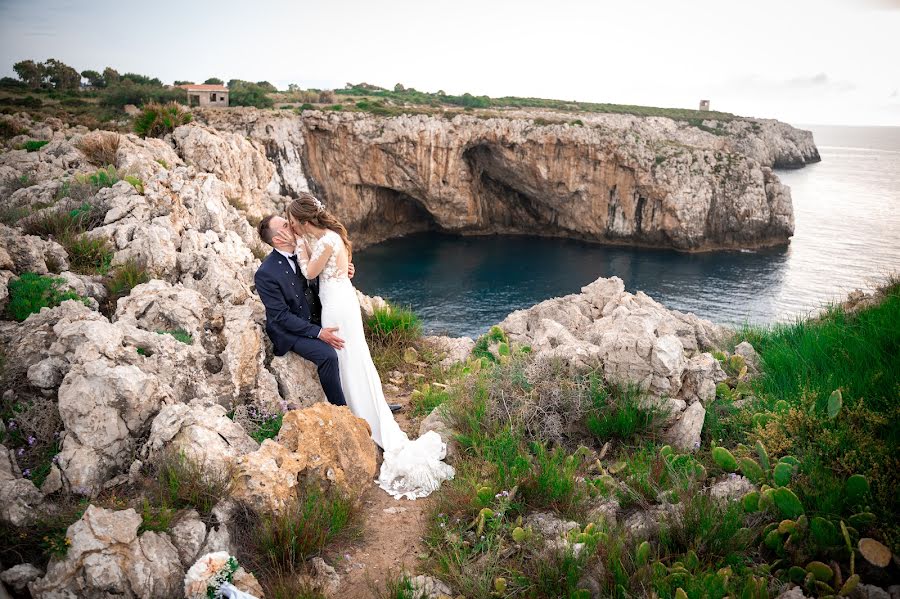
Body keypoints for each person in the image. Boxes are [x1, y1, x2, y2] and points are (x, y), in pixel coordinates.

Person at [280, 192, 454, 499]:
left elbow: (309, 274)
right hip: (341, 299)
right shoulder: (332, 237)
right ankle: (366, 409)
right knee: (354, 357)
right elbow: (337, 265)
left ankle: (361, 414)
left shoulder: (323, 242)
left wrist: (299, 249)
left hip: (336, 306)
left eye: (293, 221)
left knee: (348, 358)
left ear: (304, 221)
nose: (291, 225)